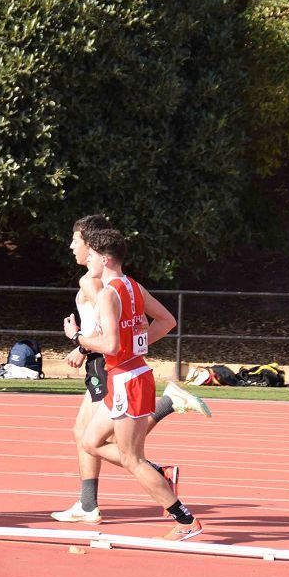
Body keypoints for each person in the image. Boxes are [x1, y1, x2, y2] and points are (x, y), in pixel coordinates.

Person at [52, 216, 210, 525]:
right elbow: (161, 322)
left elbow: (109, 339)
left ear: (100, 254)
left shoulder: (103, 287)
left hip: (117, 371)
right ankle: (94, 501)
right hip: (127, 368)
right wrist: (136, 342)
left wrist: (79, 340)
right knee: (89, 439)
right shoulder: (132, 285)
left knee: (129, 454)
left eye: (77, 242)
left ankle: (181, 514)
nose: (72, 247)